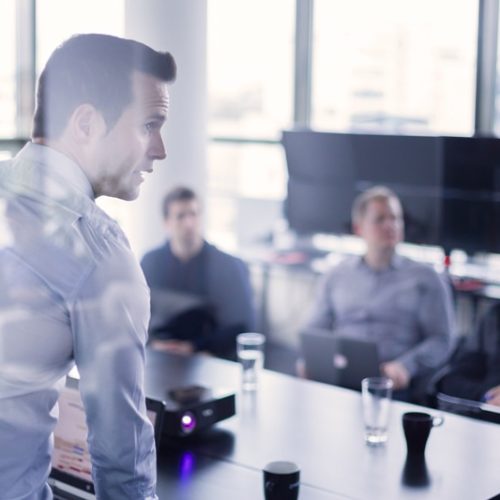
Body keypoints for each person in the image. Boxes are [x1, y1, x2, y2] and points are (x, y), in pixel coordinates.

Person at [0, 34, 176, 499]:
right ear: (86, 123)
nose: (159, 149)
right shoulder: (97, 256)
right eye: (149, 124)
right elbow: (123, 466)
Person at [303, 186, 455, 401]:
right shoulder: (336, 275)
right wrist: (309, 360)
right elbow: (314, 331)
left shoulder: (426, 278)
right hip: (340, 380)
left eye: (395, 218)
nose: (390, 225)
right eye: (380, 219)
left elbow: (442, 340)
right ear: (359, 228)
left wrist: (406, 366)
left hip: (393, 386)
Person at [141, 186, 255, 358]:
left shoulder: (229, 266)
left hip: (209, 357)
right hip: (160, 355)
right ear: (166, 223)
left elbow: (242, 325)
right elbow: (135, 316)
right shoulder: (150, 263)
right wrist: (153, 344)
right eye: (180, 216)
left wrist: (194, 347)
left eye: (193, 214)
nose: (189, 223)